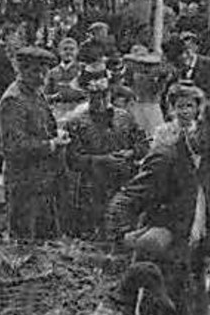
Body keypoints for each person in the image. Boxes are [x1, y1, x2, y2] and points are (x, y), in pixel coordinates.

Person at [106, 84, 210, 315]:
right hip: (162, 265)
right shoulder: (166, 158)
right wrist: (125, 236)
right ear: (201, 126)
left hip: (193, 260)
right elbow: (124, 200)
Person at [62, 66, 148, 237]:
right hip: (91, 186)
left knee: (121, 228)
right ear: (87, 96)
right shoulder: (76, 122)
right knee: (93, 233)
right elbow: (72, 159)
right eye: (94, 97)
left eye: (104, 96)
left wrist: (130, 153)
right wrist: (102, 160)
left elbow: (143, 146)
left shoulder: (125, 117)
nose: (100, 101)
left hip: (122, 182)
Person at [0, 46, 66, 239]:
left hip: (43, 179)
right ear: (22, 70)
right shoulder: (14, 99)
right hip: (23, 180)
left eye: (45, 71)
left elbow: (41, 124)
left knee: (45, 237)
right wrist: (51, 145)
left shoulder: (35, 92)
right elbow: (14, 145)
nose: (41, 77)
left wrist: (56, 133)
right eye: (35, 71)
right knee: (23, 238)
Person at [161, 33, 210, 110]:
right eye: (174, 64)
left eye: (178, 63)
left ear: (187, 53)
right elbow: (165, 102)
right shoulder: (174, 78)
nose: (177, 68)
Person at [44, 37, 88, 103]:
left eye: (72, 49)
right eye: (65, 49)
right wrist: (54, 97)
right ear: (59, 51)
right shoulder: (52, 73)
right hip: (59, 109)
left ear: (77, 51)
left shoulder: (84, 69)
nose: (68, 52)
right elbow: (46, 95)